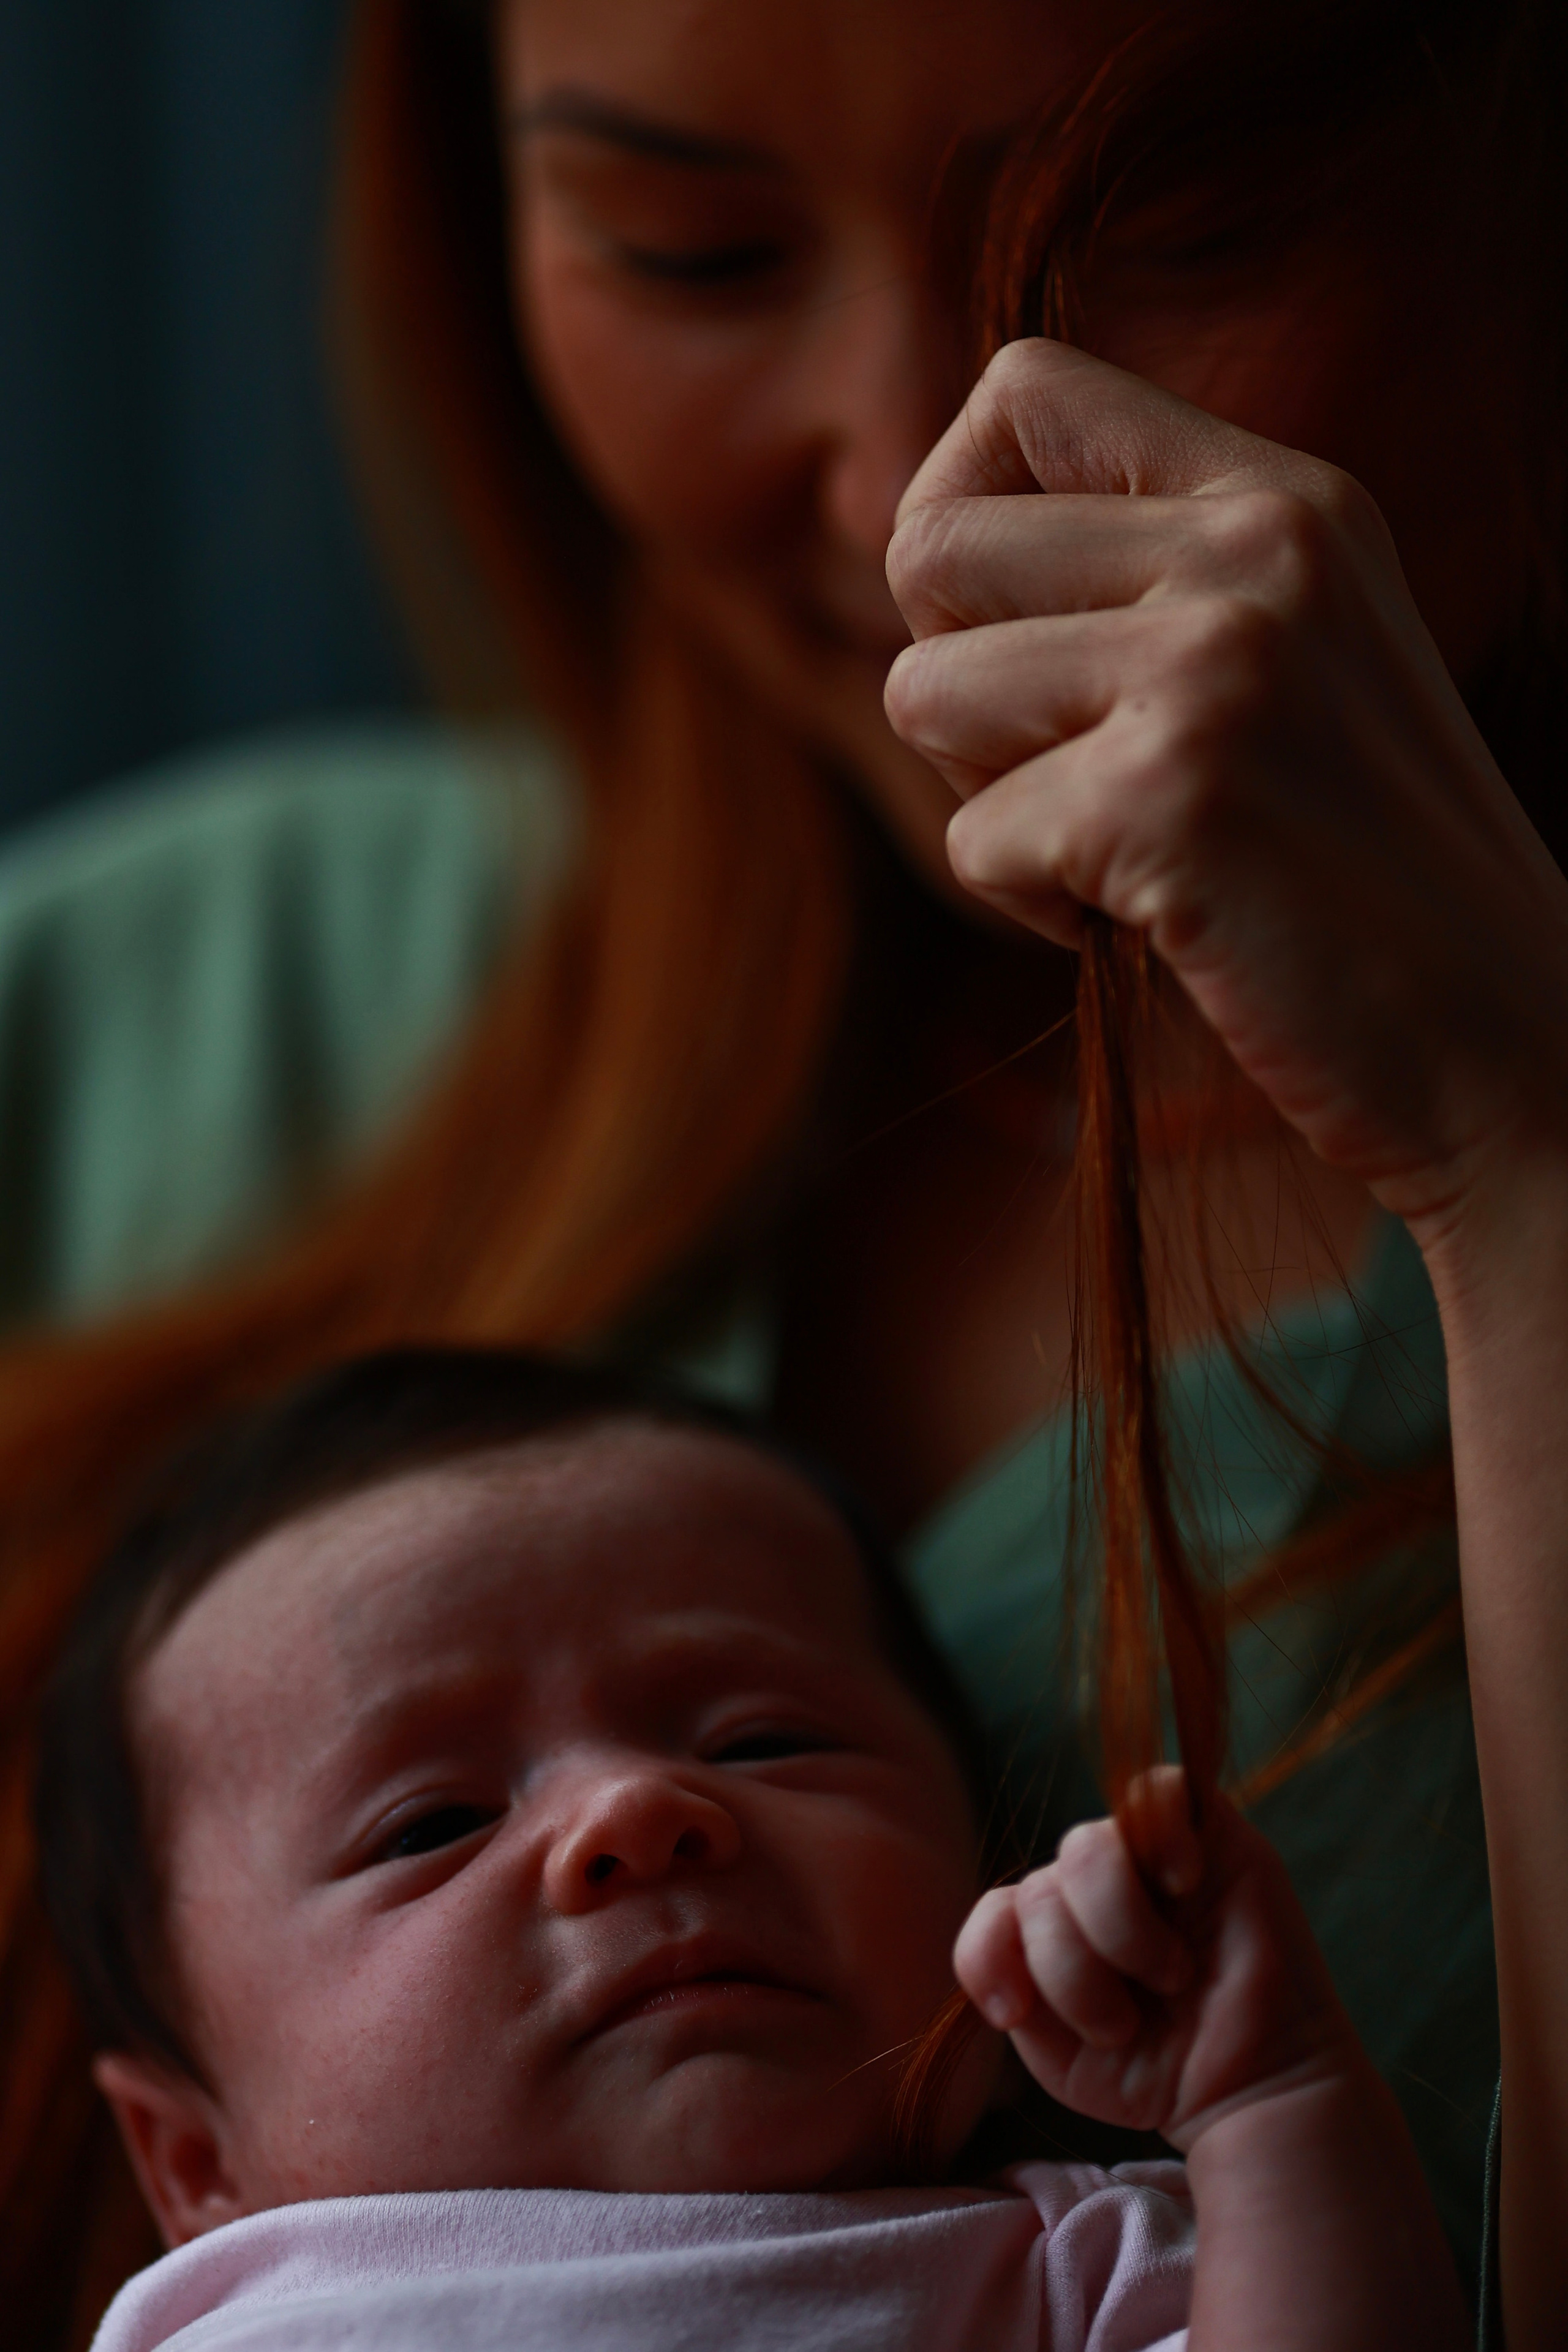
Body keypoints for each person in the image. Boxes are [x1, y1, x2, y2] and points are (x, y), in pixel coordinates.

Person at [1, 2, 1565, 2342]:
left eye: (1171, 234)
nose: (903, 492)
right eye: (691, 248)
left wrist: (1521, 1156)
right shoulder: (149, 1013)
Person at [37, 1350, 1466, 2352]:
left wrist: (1271, 2107)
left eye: (763, 1740)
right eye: (434, 1824)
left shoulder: (1067, 2271)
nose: (634, 1813)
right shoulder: (235, 2323)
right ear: (192, 2159)